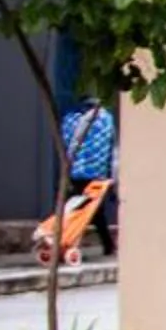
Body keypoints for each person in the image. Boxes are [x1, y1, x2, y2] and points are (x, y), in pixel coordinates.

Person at [59, 96, 118, 258]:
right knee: (94, 210)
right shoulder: (107, 120)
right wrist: (112, 175)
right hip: (98, 173)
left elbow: (68, 143)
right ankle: (107, 245)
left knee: (74, 209)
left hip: (77, 171)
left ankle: (67, 241)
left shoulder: (71, 120)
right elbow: (113, 148)